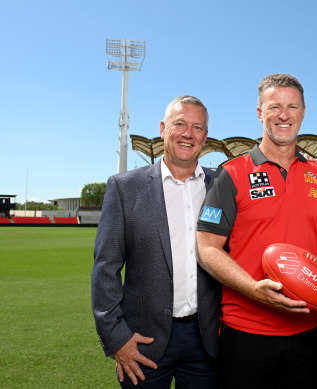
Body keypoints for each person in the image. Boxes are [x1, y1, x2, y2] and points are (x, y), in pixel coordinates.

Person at [196, 73, 317, 389]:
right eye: (274, 106)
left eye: (292, 107)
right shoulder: (232, 173)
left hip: (307, 333)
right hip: (245, 333)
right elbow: (207, 247)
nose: (284, 115)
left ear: (303, 112)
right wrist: (253, 288)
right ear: (259, 113)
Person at [91, 95, 221, 388]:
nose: (188, 133)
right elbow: (105, 270)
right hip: (141, 342)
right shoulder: (124, 187)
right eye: (180, 124)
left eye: (197, 127)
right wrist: (117, 338)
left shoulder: (222, 185)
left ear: (205, 136)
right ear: (163, 128)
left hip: (207, 340)